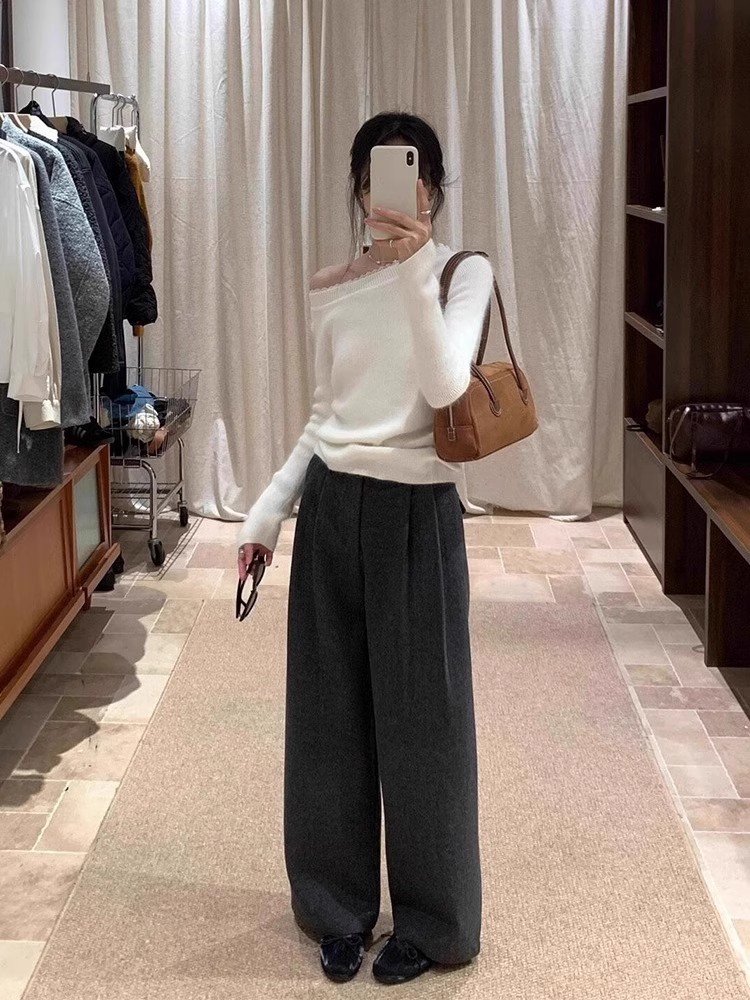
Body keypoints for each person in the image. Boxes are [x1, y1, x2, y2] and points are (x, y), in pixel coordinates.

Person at [237, 111, 494, 986]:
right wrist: (266, 514)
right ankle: (335, 908)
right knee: (327, 722)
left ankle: (436, 923)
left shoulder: (461, 272)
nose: (395, 192)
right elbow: (324, 418)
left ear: (433, 187)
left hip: (419, 513)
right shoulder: (332, 286)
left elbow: (445, 386)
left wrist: (413, 266)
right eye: (377, 177)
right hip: (332, 508)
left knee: (428, 729)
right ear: (358, 190)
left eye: (414, 175)